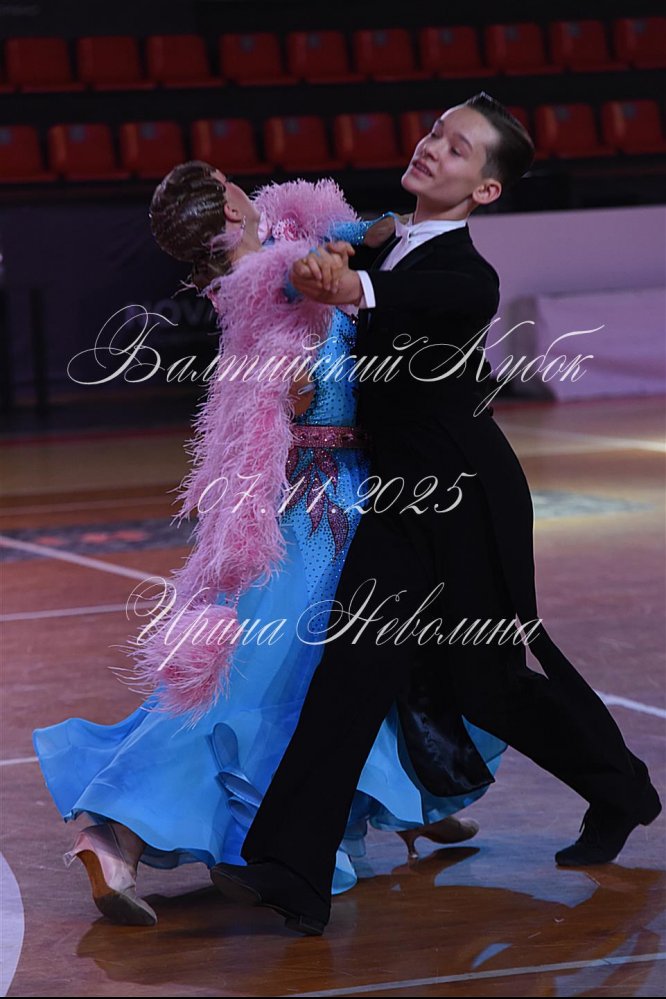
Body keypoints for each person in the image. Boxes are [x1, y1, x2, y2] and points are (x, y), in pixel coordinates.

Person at [210, 92, 662, 937]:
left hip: (466, 498)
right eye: (433, 133)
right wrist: (259, 233)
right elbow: (329, 257)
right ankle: (291, 869)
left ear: (486, 190)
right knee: (351, 669)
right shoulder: (385, 235)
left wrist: (343, 281)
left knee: (486, 683)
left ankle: (623, 788)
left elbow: (387, 295)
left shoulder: (466, 277)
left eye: (458, 149)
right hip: (397, 498)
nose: (431, 149)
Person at [32, 161, 506, 927]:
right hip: (321, 498)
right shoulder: (269, 274)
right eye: (226, 181)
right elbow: (311, 288)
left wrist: (376, 233)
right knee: (278, 675)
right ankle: (118, 829)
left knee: (356, 661)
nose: (240, 183)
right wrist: (355, 257)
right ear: (227, 206)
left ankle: (410, 800)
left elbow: (348, 235)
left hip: (327, 487)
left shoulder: (274, 253)